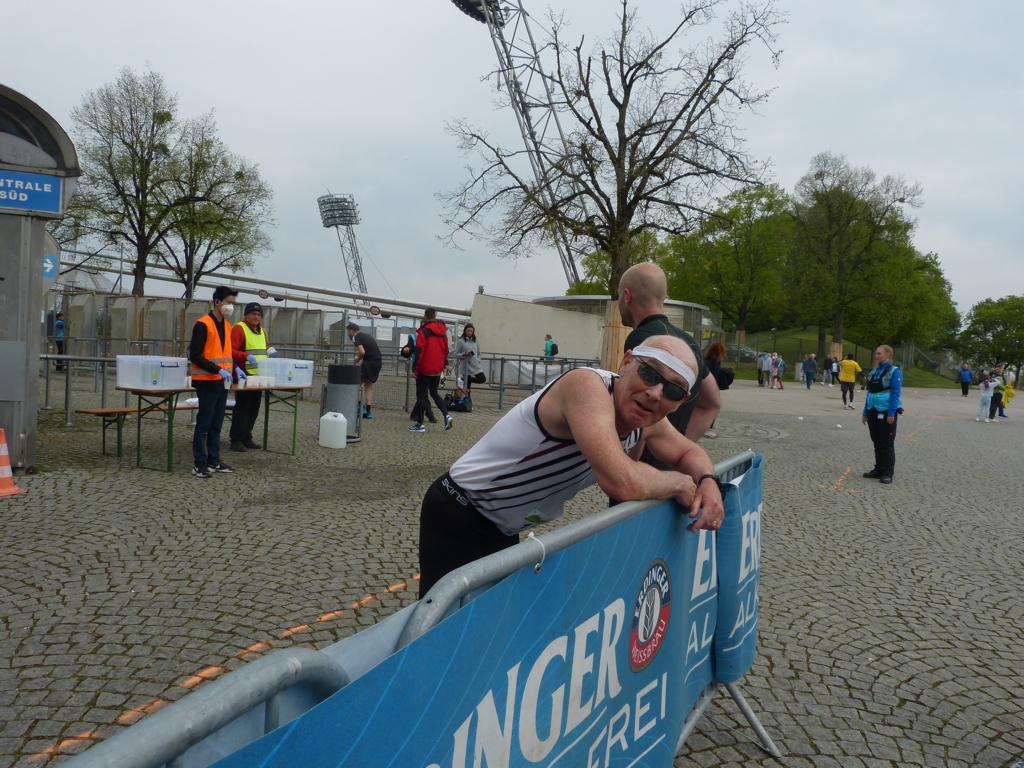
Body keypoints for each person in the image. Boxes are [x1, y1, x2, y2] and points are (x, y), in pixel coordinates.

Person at [417, 334, 725, 597]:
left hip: (501, 526)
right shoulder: (587, 386)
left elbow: (688, 452)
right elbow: (622, 481)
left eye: (672, 390)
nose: (655, 393)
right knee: (442, 632)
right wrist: (680, 483)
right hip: (459, 510)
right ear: (626, 362)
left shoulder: (646, 419)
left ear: (681, 402)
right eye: (650, 373)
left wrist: (709, 481)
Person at [618, 262, 721, 444]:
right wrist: (682, 444)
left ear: (627, 296)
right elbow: (712, 403)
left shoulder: (643, 339)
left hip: (638, 457)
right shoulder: (689, 344)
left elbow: (623, 400)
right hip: (668, 456)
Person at [189, 286, 239, 478]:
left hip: (221, 381)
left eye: (233, 303)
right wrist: (217, 369)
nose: (231, 306)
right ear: (217, 302)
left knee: (217, 423)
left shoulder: (227, 326)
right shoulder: (203, 324)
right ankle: (199, 463)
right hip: (206, 380)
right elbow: (195, 355)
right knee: (204, 423)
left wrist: (235, 369)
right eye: (229, 302)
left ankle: (214, 460)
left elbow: (226, 353)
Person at [229, 302, 275, 451]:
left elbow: (264, 348)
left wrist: (270, 350)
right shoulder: (239, 328)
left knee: (254, 408)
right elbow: (230, 351)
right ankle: (236, 439)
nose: (256, 317)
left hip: (259, 376)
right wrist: (245, 355)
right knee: (242, 407)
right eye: (253, 314)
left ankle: (246, 437)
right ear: (246, 315)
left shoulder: (262, 331)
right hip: (244, 375)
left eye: (259, 315)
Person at [861, 345, 903, 485]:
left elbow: (896, 393)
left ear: (887, 355)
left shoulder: (894, 371)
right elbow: (870, 392)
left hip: (886, 410)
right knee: (877, 442)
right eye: (876, 353)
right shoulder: (874, 371)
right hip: (872, 409)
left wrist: (891, 413)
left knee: (887, 443)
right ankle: (878, 469)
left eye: (879, 353)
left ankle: (887, 472)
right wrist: (865, 412)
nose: (876, 355)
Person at [409, 308, 452, 433]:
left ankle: (420, 424)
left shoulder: (423, 331)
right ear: (435, 315)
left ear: (425, 315)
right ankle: (446, 415)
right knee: (434, 393)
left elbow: (419, 351)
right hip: (437, 368)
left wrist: (415, 368)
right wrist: (443, 364)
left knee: (421, 395)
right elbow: (445, 350)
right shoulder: (443, 332)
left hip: (425, 368)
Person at [347, 322, 382, 420]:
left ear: (352, 330)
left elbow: (362, 352)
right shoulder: (367, 336)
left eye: (348, 332)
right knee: (368, 386)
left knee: (356, 384)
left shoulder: (356, 337)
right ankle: (368, 411)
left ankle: (358, 407)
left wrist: (357, 359)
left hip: (369, 363)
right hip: (377, 362)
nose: (348, 334)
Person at [702, 340, 727, 439]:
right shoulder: (716, 361)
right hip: (712, 386)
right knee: (714, 406)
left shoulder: (706, 359)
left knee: (705, 406)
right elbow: (715, 374)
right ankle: (707, 426)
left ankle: (705, 425)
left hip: (703, 386)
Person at [455, 324, 485, 395]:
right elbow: (456, 354)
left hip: (475, 366)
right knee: (466, 389)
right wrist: (464, 354)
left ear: (473, 332)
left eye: (471, 331)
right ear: (465, 331)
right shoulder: (461, 341)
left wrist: (478, 360)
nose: (469, 332)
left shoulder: (475, 341)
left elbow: (479, 353)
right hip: (466, 367)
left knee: (482, 379)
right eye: (468, 330)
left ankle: (467, 379)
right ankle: (467, 401)